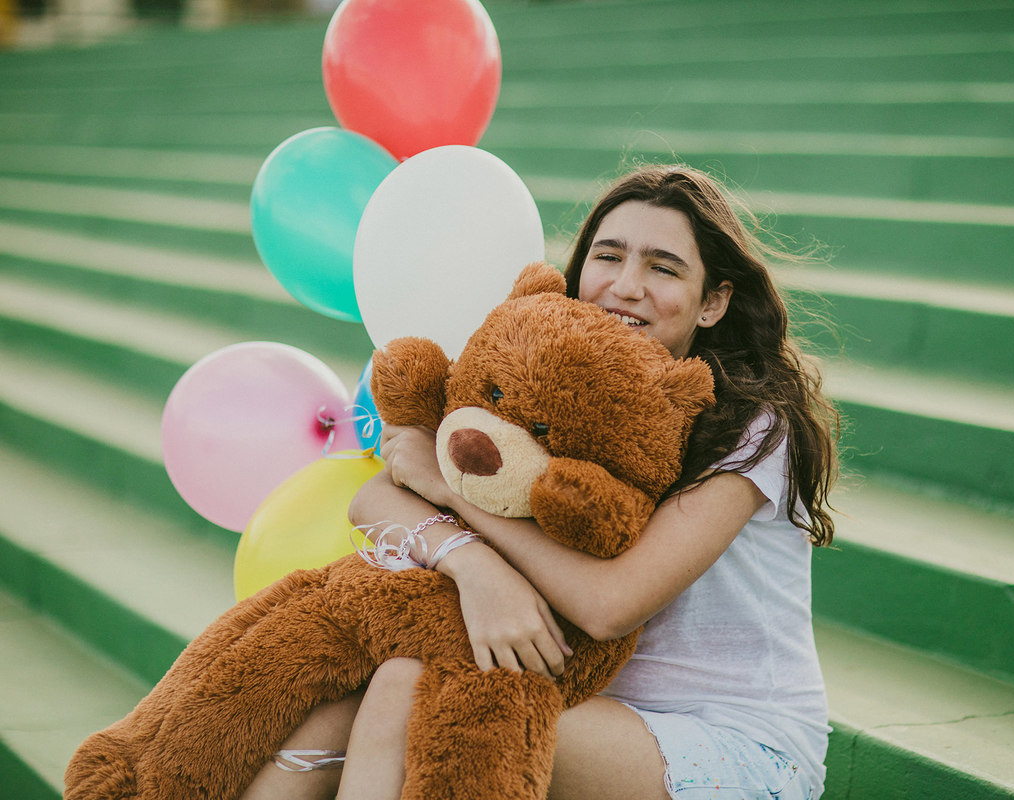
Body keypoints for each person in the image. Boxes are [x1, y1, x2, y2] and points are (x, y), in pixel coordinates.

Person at [239, 164, 839, 800]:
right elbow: (374, 497)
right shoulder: (542, 371)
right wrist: (474, 566)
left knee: (410, 691)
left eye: (663, 268)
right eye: (608, 257)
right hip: (580, 697)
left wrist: (446, 491)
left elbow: (610, 607)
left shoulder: (754, 427)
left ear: (713, 301)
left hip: (729, 739)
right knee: (334, 701)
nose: (626, 286)